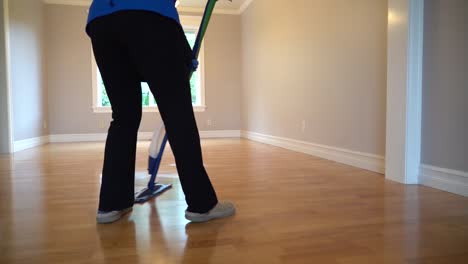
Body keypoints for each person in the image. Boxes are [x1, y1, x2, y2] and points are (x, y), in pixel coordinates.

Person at [86, 0, 235, 224]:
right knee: (177, 113)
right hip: (150, 15)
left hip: (102, 21)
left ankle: (111, 204)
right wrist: (183, 55)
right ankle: (202, 204)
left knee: (124, 117)